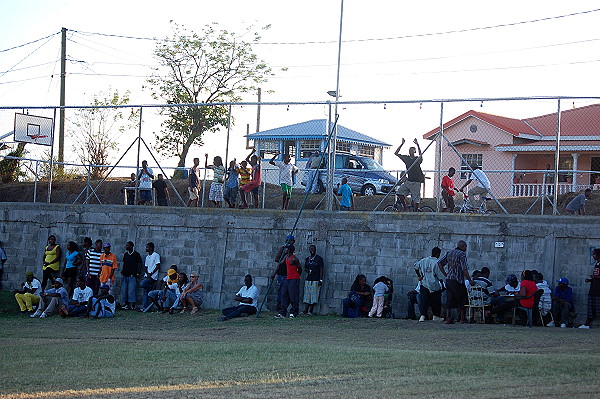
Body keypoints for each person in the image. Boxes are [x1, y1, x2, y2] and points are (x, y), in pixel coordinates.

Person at [438, 240, 474, 324]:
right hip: (458, 280)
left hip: (449, 280)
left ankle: (448, 318)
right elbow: (464, 269)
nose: (466, 248)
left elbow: (439, 263)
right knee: (462, 299)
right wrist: (470, 280)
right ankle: (462, 317)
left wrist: (445, 274)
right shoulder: (462, 255)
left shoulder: (449, 253)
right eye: (465, 246)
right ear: (462, 246)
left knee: (449, 300)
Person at [414, 247, 444, 322]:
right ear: (438, 254)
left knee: (424, 300)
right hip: (433, 284)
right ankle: (435, 315)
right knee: (436, 301)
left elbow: (416, 266)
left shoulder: (424, 260)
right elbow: (439, 276)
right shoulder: (437, 262)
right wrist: (442, 285)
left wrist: (419, 276)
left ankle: (422, 316)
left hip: (424, 283)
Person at [394, 138, 425, 212]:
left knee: (416, 199)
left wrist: (417, 145)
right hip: (409, 180)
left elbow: (421, 156)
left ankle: (415, 211)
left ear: (414, 152)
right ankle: (405, 207)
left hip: (416, 181)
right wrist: (402, 144)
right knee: (399, 193)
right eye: (409, 150)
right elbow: (396, 153)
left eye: (412, 150)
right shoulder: (406, 158)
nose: (410, 151)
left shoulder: (417, 159)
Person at [275, 245, 302, 318]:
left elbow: (300, 269)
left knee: (293, 296)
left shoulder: (294, 259)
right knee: (284, 295)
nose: (285, 250)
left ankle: (293, 312)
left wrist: (296, 277)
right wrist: (274, 273)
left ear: (289, 250)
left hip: (294, 278)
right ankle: (282, 312)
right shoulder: (286, 257)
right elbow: (279, 263)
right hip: (288, 278)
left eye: (287, 249)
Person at [272, 235, 294, 312]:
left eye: (292, 241)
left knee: (286, 292)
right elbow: (277, 260)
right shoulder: (283, 249)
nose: (291, 242)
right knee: (282, 291)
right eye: (289, 240)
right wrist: (284, 255)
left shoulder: (292, 250)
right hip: (282, 274)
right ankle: (279, 307)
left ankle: (283, 307)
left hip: (288, 274)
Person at [580, 248, 600, 329]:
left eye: (594, 254)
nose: (593, 256)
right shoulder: (597, 264)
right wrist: (590, 280)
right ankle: (587, 324)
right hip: (593, 289)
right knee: (591, 308)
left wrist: (595, 277)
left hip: (598, 290)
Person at [302, 245, 324, 315]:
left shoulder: (319, 259)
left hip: (316, 279)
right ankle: (305, 310)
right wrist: (307, 271)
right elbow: (305, 268)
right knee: (307, 295)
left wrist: (320, 280)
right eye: (311, 249)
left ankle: (310, 311)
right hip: (308, 279)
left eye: (313, 249)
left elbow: (321, 269)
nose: (312, 251)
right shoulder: (307, 259)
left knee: (314, 296)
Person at [121, 241, 142, 310]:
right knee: (125, 290)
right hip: (125, 275)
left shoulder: (136, 254)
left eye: (127, 245)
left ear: (131, 246)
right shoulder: (126, 254)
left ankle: (133, 304)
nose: (126, 247)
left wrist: (138, 273)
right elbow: (124, 263)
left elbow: (140, 264)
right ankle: (126, 304)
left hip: (132, 275)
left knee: (132, 290)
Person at [140, 242, 160, 309]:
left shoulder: (156, 255)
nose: (146, 248)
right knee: (146, 292)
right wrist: (147, 273)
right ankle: (145, 307)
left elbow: (158, 265)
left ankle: (151, 287)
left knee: (142, 284)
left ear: (151, 248)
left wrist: (151, 273)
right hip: (147, 275)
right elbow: (145, 267)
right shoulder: (147, 257)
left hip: (153, 276)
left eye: (147, 247)